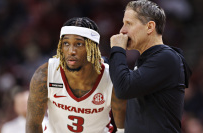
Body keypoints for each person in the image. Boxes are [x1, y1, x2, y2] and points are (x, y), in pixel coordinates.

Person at [26, 17, 126, 133]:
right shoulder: (45, 75)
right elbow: (33, 124)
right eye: (66, 43)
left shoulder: (112, 79)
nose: (71, 51)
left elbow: (122, 128)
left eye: (78, 44)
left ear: (93, 48)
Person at [109, 0, 192, 133]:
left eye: (128, 24)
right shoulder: (148, 59)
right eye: (123, 24)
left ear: (150, 27)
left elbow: (123, 89)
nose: (122, 30)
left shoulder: (166, 58)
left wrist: (117, 49)